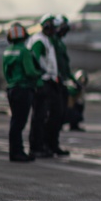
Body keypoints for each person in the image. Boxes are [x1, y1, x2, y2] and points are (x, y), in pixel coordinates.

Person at [2, 23, 42, 162]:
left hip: (12, 88)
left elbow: (6, 72)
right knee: (19, 122)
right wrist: (40, 73)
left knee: (15, 122)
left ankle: (15, 151)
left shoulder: (7, 51)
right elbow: (30, 71)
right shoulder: (24, 51)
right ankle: (17, 153)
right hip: (23, 89)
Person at [27, 14, 64, 158]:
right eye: (53, 27)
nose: (55, 30)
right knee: (40, 116)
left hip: (51, 81)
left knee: (55, 114)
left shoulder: (47, 41)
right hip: (43, 82)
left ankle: (47, 145)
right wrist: (39, 76)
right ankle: (36, 147)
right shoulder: (39, 41)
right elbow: (34, 58)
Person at [47, 15, 76, 155]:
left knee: (59, 115)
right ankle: (47, 145)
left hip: (61, 82)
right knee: (52, 115)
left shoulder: (59, 43)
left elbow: (65, 65)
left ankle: (53, 144)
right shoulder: (51, 42)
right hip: (53, 82)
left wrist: (73, 79)